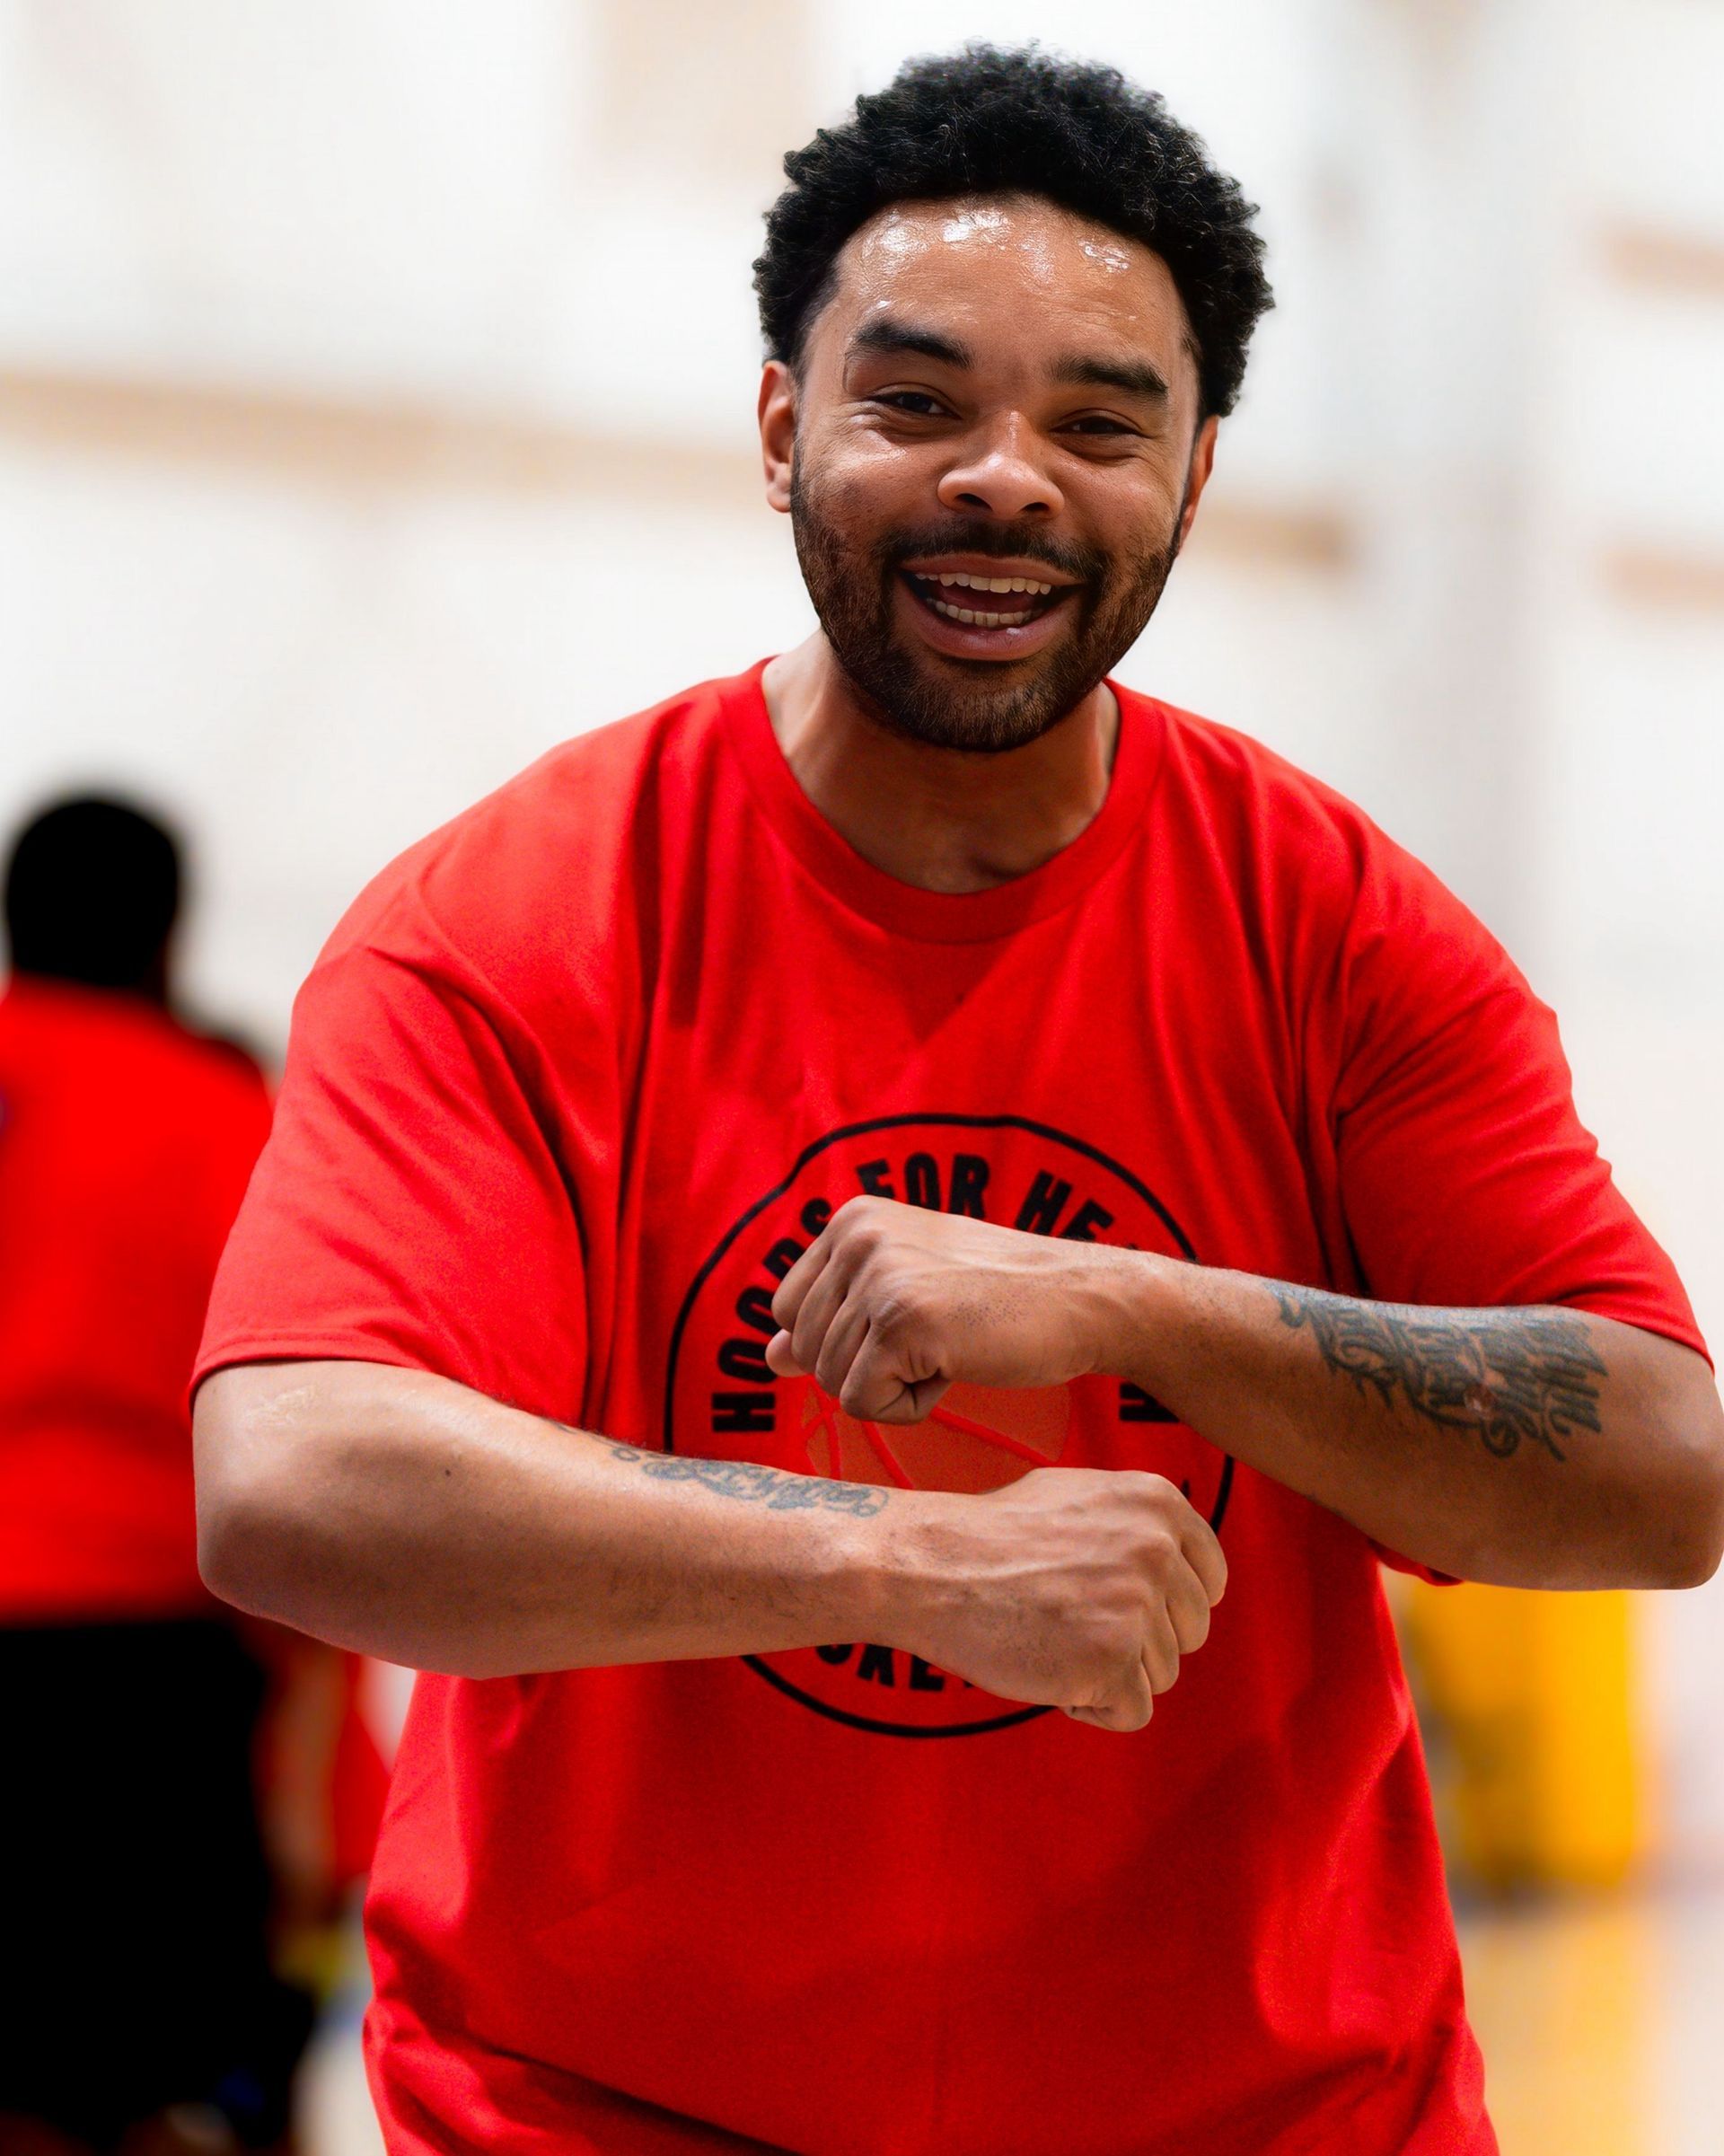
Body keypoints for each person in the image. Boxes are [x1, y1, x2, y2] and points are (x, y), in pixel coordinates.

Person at [192, 47, 1724, 2156]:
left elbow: (1660, 1464)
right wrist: (914, 1561)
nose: (1007, 477)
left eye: (1099, 422)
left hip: (1262, 2114)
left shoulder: (1339, 928)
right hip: (614, 2105)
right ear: (778, 426)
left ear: (1193, 479)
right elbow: (293, 1477)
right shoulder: (512, 919)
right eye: (916, 401)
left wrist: (1133, 1310)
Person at [0, 798, 339, 2156]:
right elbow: (286, 1422)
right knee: (160, 2093)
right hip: (141, 1679)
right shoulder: (213, 1109)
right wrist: (309, 1775)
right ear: (167, 933)